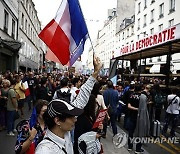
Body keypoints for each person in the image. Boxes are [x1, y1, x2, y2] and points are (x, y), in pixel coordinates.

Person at [35, 55, 102, 154]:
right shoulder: (44, 151)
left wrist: (95, 73)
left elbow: (81, 99)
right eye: (71, 116)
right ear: (57, 120)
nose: (75, 119)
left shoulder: (64, 132)